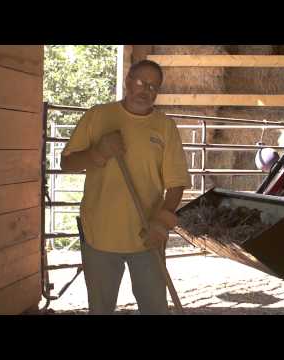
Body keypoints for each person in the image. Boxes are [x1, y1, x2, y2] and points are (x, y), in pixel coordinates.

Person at [60, 60, 191, 315]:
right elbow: (67, 163)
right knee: (100, 308)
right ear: (128, 80)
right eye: (141, 82)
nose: (145, 91)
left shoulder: (165, 127)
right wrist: (98, 152)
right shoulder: (98, 116)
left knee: (155, 308)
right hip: (99, 233)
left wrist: (162, 221)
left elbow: (176, 184)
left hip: (147, 236)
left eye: (153, 87)